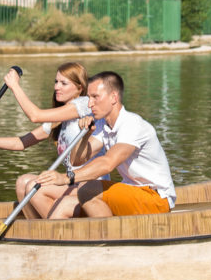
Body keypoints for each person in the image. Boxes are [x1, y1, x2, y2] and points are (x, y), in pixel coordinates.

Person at [0, 62, 105, 219]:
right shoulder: (59, 118)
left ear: (80, 88)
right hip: (72, 184)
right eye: (56, 82)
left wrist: (15, 86)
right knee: (23, 182)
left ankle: (54, 231)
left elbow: (35, 116)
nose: (57, 87)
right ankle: (35, 231)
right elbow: (21, 142)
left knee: (33, 187)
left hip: (90, 185)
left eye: (64, 83)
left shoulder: (84, 104)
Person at [34, 71, 176, 217]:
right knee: (63, 206)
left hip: (156, 199)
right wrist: (85, 135)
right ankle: (61, 239)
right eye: (89, 97)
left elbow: (107, 163)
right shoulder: (102, 124)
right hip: (130, 192)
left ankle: (109, 237)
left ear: (113, 97)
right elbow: (76, 160)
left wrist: (65, 178)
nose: (90, 104)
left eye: (95, 97)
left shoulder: (132, 124)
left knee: (87, 188)